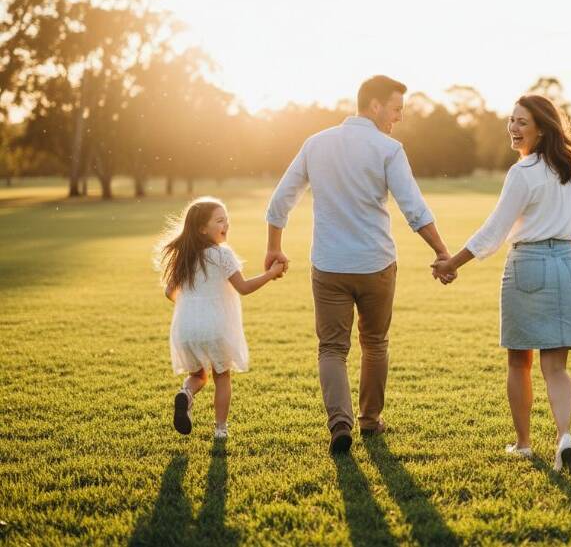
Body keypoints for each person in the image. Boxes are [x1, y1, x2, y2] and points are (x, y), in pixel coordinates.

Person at [265, 75, 453, 455]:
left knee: (332, 348)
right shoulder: (389, 149)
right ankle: (369, 420)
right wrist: (442, 252)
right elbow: (413, 208)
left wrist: (274, 248)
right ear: (375, 106)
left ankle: (340, 425)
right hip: (375, 265)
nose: (397, 118)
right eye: (396, 110)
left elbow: (281, 199)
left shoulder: (316, 144)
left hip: (330, 265)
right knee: (375, 343)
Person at [432, 95, 571, 472]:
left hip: (529, 264)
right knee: (556, 367)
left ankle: (525, 444)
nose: (513, 127)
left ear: (542, 129)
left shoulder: (523, 173)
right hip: (566, 264)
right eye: (511, 120)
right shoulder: (567, 171)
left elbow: (495, 230)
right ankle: (564, 436)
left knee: (519, 361)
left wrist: (452, 263)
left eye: (522, 122)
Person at [157, 197, 284, 439]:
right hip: (215, 326)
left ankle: (186, 393)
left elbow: (168, 292)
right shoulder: (222, 255)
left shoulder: (184, 257)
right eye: (219, 220)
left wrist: (193, 305)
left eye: (227, 219)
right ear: (202, 229)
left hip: (186, 328)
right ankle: (220, 430)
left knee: (198, 375)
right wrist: (271, 273)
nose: (226, 224)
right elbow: (244, 287)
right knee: (222, 376)